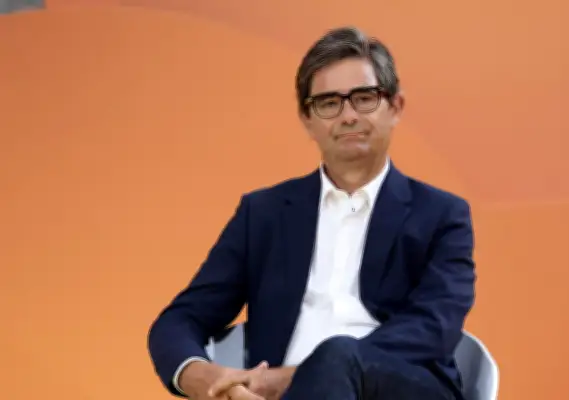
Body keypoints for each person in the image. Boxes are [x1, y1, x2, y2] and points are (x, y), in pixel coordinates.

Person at [147, 26, 476, 400]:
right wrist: (212, 382)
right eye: (329, 103)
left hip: (402, 389)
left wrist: (291, 378)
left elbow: (434, 327)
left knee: (337, 355)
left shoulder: (441, 214)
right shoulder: (264, 214)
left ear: (395, 107)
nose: (348, 116)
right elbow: (180, 320)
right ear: (307, 119)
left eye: (364, 98)